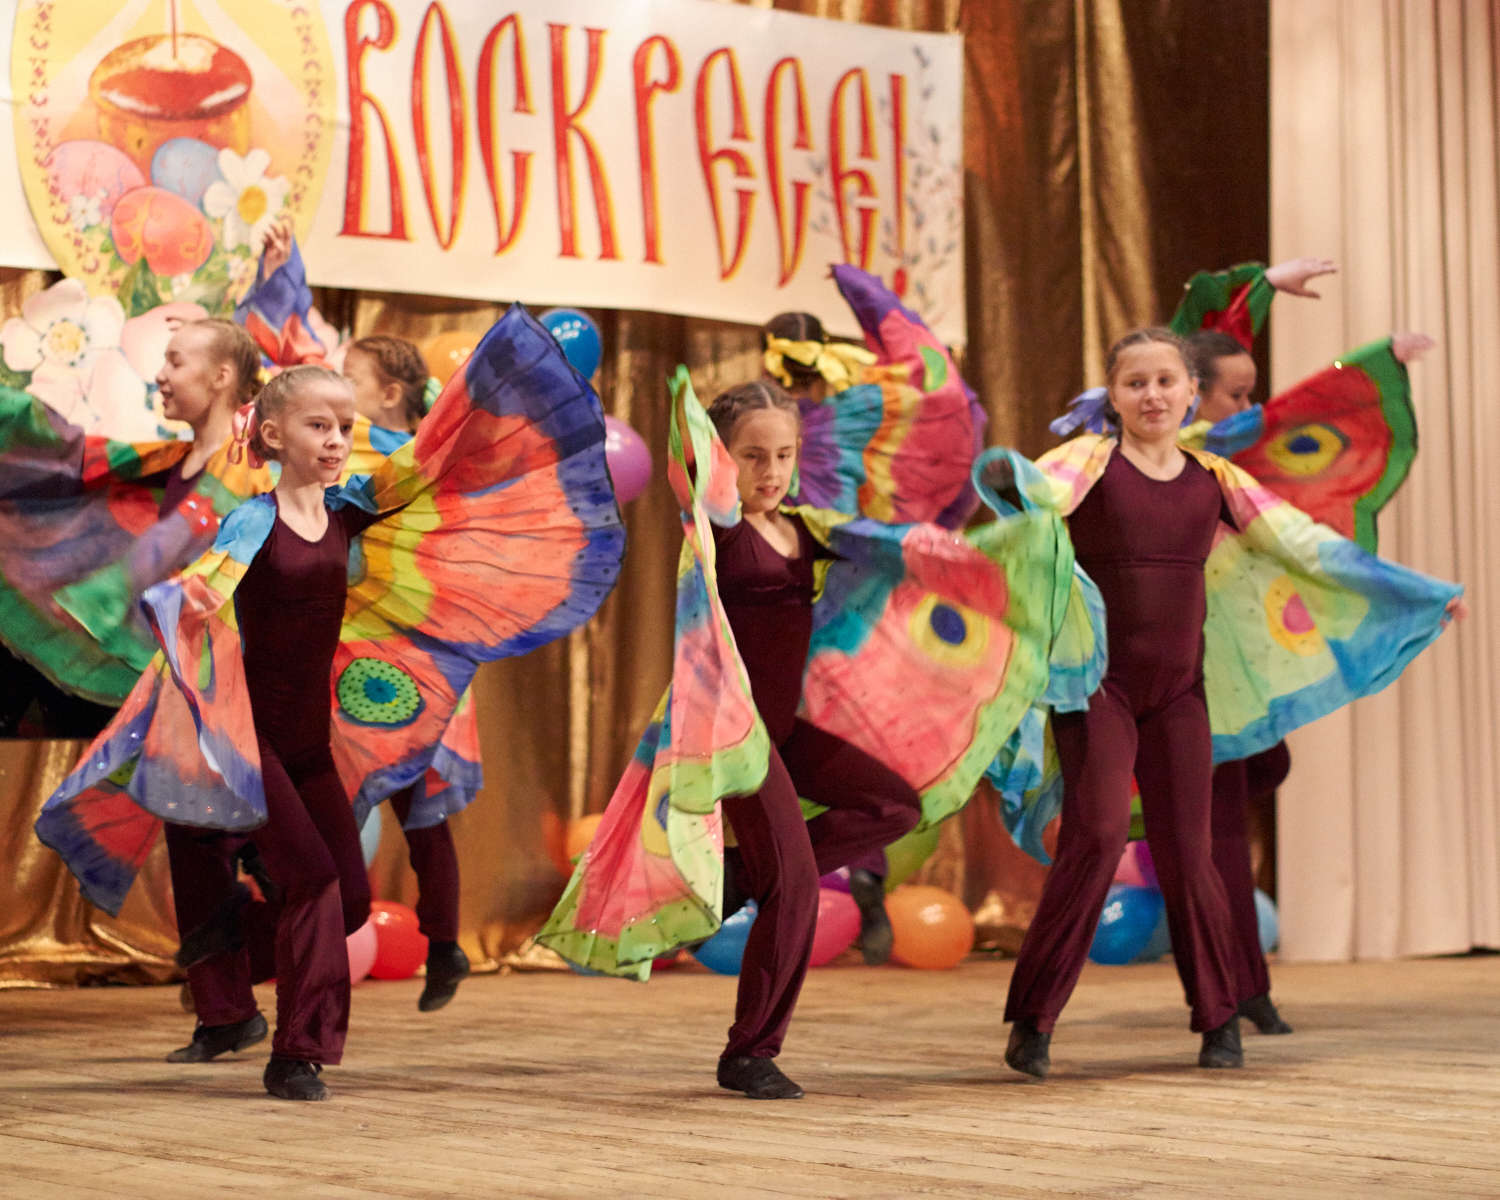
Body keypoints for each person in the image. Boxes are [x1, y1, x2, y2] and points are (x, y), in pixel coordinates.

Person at [37, 307, 626, 1100]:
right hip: (254, 746)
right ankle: (298, 1054)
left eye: (345, 427)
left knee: (346, 900)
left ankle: (228, 945)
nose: (337, 440)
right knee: (312, 879)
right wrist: (175, 603)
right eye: (318, 425)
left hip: (312, 748)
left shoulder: (350, 511)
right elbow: (206, 584)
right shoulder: (253, 520)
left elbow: (426, 461)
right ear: (273, 436)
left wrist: (498, 385)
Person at [538, 369, 1077, 1100]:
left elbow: (907, 554)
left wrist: (1017, 538)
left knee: (893, 806)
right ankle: (749, 1052)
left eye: (784, 455)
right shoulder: (716, 530)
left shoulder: (809, 529)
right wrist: (694, 436)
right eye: (752, 456)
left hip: (787, 730)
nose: (771, 471)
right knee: (795, 890)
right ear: (723, 459)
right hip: (733, 738)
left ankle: (738, 880)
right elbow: (693, 477)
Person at [983, 327, 1464, 1080]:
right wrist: (1009, 478)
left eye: (1165, 381)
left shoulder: (1215, 476)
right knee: (1097, 835)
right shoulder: (1089, 461)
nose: (1152, 395)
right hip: (1099, 687)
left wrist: (1414, 593)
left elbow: (1305, 544)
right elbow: (1038, 494)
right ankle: (1034, 1020)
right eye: (1135, 383)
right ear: (1114, 395)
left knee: (1192, 851)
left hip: (1181, 693)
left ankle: (1218, 1019)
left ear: (1189, 393)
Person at [1183, 324, 1437, 1036]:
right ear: (1194, 394)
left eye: (1249, 393)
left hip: (1234, 659)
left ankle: (1240, 986)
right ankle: (1236, 990)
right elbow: (1277, 420)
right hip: (1184, 666)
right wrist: (1372, 367)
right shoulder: (1182, 455)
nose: (1248, 408)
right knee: (1208, 827)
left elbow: (1284, 473)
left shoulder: (1224, 463)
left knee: (1248, 789)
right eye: (1236, 394)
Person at [340, 334, 471, 1011]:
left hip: (408, 658)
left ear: (390, 393)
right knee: (395, 807)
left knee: (416, 806)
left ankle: (444, 941)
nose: (338, 387)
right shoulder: (354, 449)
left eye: (349, 377)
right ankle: (441, 942)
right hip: (360, 652)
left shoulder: (414, 458)